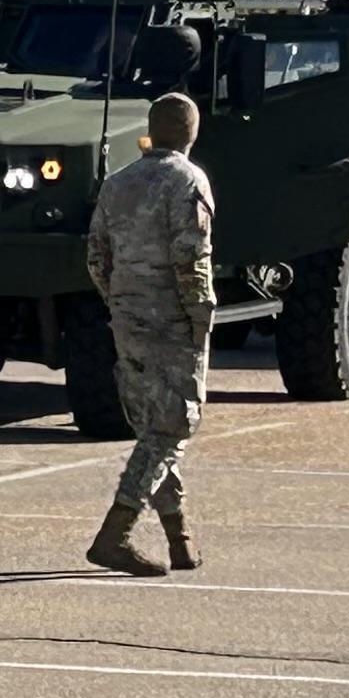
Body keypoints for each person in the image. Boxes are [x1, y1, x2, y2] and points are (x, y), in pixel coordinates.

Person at [85, 88, 214, 578]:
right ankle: (114, 533)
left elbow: (96, 256)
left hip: (128, 315)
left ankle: (179, 538)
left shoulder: (118, 182)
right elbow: (192, 259)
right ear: (190, 133)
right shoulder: (188, 180)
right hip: (173, 321)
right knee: (171, 425)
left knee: (153, 425)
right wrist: (199, 318)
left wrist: (120, 300)